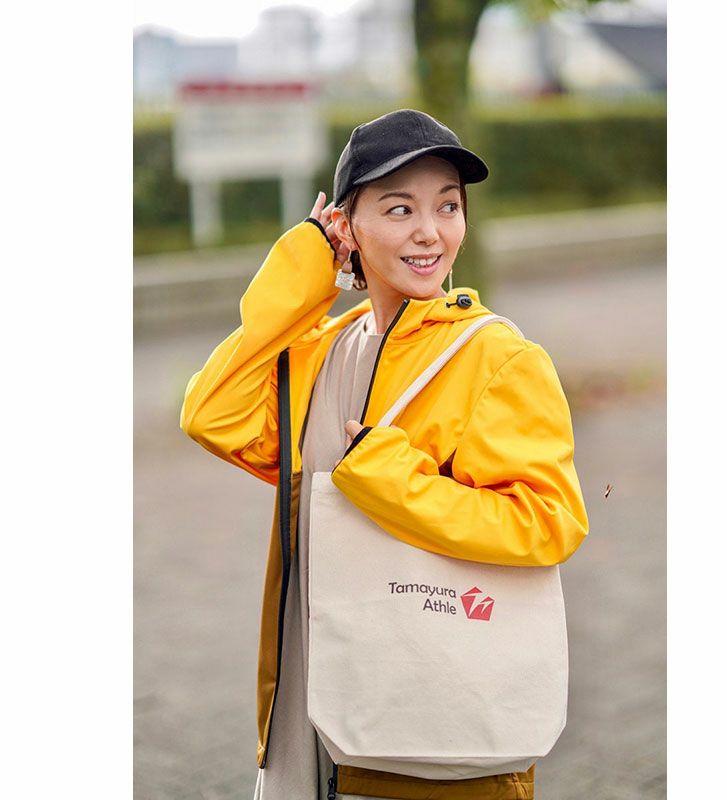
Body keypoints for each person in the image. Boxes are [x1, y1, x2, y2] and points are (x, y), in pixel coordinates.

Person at [180, 109, 589, 800]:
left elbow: (548, 522)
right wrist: (308, 264)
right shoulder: (326, 349)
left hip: (428, 724)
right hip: (309, 712)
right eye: (400, 209)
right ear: (349, 225)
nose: (430, 231)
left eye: (448, 207)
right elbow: (211, 414)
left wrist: (391, 479)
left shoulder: (495, 356)